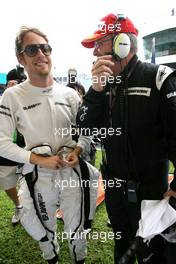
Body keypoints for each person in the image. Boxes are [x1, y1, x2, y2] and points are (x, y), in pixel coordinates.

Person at [77, 13, 176, 264]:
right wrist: (96, 90)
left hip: (152, 193)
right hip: (114, 190)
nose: (95, 52)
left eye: (99, 44)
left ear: (122, 43)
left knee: (151, 254)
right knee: (121, 249)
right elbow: (83, 128)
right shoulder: (104, 86)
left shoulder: (159, 78)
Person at [0, 26, 99, 264]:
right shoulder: (12, 96)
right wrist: (39, 159)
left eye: (45, 48)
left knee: (78, 229)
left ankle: (79, 259)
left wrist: (77, 150)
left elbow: (86, 134)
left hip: (72, 172)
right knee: (42, 230)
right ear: (20, 58)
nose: (41, 54)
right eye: (32, 49)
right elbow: (1, 143)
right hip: (39, 174)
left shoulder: (70, 95)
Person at [0, 67, 26, 225]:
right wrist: (5, 96)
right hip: (6, 150)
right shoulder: (3, 97)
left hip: (28, 148)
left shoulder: (31, 94)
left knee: (34, 182)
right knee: (7, 183)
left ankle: (34, 208)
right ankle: (19, 206)